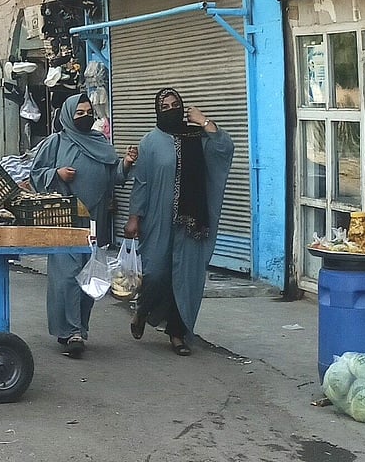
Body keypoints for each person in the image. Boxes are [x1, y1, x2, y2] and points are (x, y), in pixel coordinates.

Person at [124, 88, 234, 357]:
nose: (171, 109)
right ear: (158, 110)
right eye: (166, 105)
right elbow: (142, 183)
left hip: (191, 223)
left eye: (176, 104)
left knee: (184, 278)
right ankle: (143, 310)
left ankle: (177, 333)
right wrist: (134, 217)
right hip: (157, 219)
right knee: (156, 274)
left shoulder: (195, 137)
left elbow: (224, 149)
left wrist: (204, 121)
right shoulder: (149, 142)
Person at [30, 94, 137, 358]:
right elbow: (35, 174)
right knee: (66, 277)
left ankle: (80, 329)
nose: (85, 116)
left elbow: (114, 177)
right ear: (68, 115)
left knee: (90, 277)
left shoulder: (100, 142)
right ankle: (69, 331)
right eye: (79, 113)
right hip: (65, 221)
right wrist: (57, 174)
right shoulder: (56, 143)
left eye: (89, 112)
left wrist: (125, 164)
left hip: (95, 221)